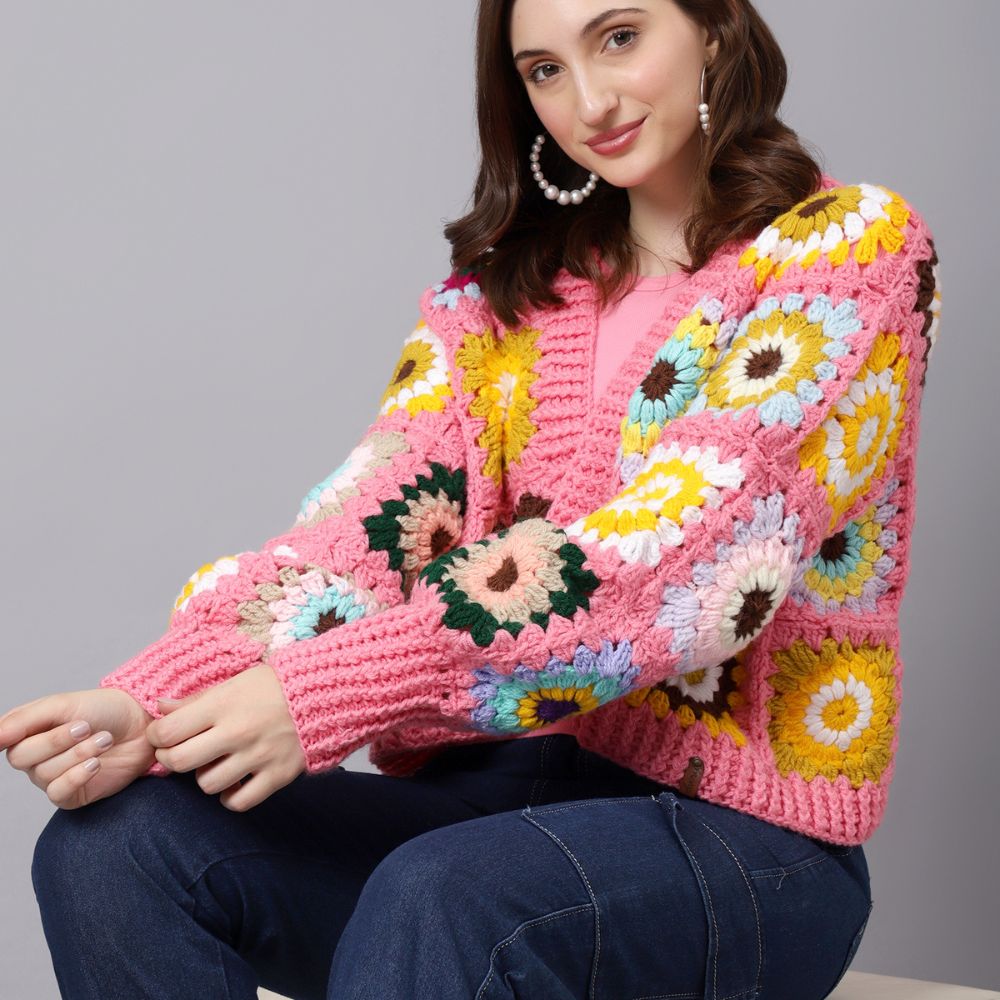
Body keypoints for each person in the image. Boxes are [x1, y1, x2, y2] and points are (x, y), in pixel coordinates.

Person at [1, 0, 941, 997]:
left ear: (712, 28)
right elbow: (362, 532)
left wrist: (323, 692)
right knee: (116, 845)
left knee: (446, 892)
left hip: (735, 833)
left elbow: (683, 566)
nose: (588, 100)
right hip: (492, 805)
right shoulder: (499, 299)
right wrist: (153, 699)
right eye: (542, 70)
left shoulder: (846, 253)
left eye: (618, 37)